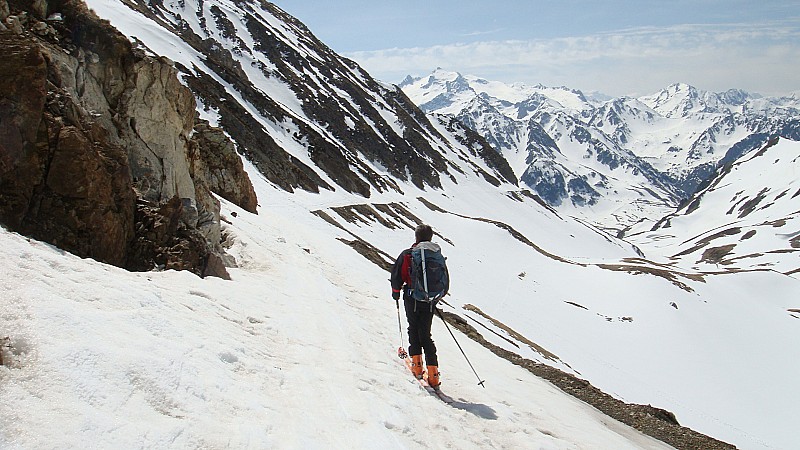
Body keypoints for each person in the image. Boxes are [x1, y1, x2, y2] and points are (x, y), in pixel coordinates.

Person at [390, 224, 445, 388]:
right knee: (426, 334)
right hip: (430, 300)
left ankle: (417, 365)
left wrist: (396, 293)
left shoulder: (409, 254)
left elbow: (397, 275)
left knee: (413, 329)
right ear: (431, 237)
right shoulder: (435, 254)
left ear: (416, 237)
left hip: (412, 297)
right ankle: (433, 374)